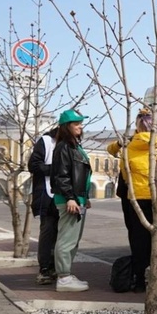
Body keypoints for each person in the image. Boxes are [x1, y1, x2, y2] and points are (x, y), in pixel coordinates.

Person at [108, 109, 157, 292]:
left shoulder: (128, 145)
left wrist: (120, 142)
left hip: (135, 197)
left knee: (138, 239)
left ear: (137, 124)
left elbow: (111, 151)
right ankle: (156, 275)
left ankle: (140, 281)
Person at [49, 109, 92, 292]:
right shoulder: (64, 147)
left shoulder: (74, 146)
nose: (80, 127)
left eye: (81, 123)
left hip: (77, 198)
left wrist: (84, 197)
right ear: (67, 127)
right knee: (67, 239)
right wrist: (70, 198)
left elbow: (80, 174)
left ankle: (66, 275)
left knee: (73, 239)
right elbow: (62, 175)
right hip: (70, 200)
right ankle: (64, 278)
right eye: (77, 124)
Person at [27, 126, 59, 285]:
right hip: (47, 195)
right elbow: (33, 165)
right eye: (76, 125)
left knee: (62, 234)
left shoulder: (73, 144)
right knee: (48, 231)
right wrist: (56, 171)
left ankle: (56, 267)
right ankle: (45, 269)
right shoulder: (46, 141)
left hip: (66, 196)